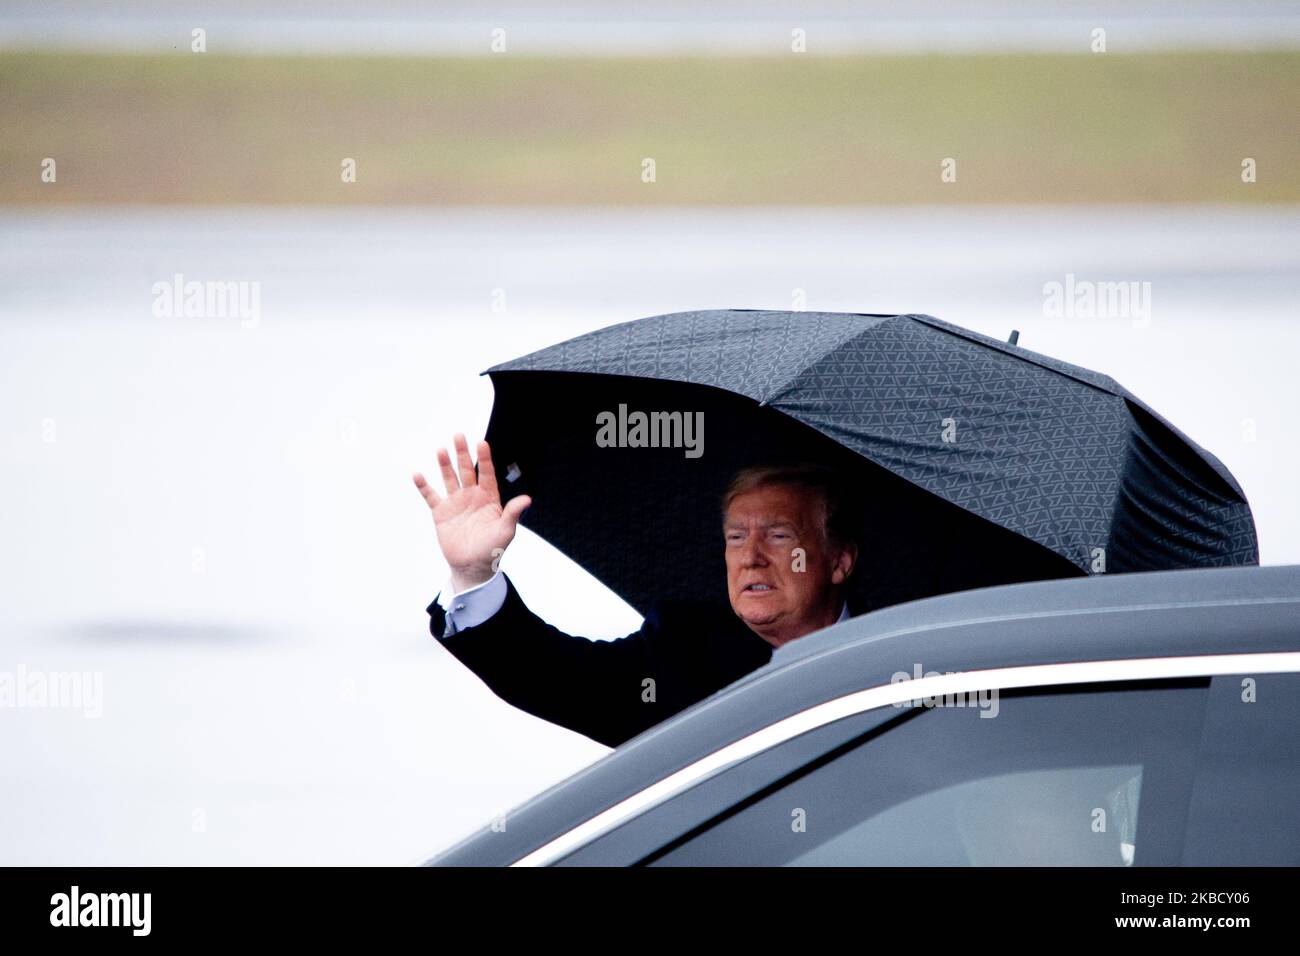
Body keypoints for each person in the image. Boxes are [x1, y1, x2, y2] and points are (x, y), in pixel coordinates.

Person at [413, 433, 861, 748]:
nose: (751, 557)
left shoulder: (904, 653)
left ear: (839, 560)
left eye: (779, 536)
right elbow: (558, 678)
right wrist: (474, 574)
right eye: (736, 537)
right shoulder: (686, 650)